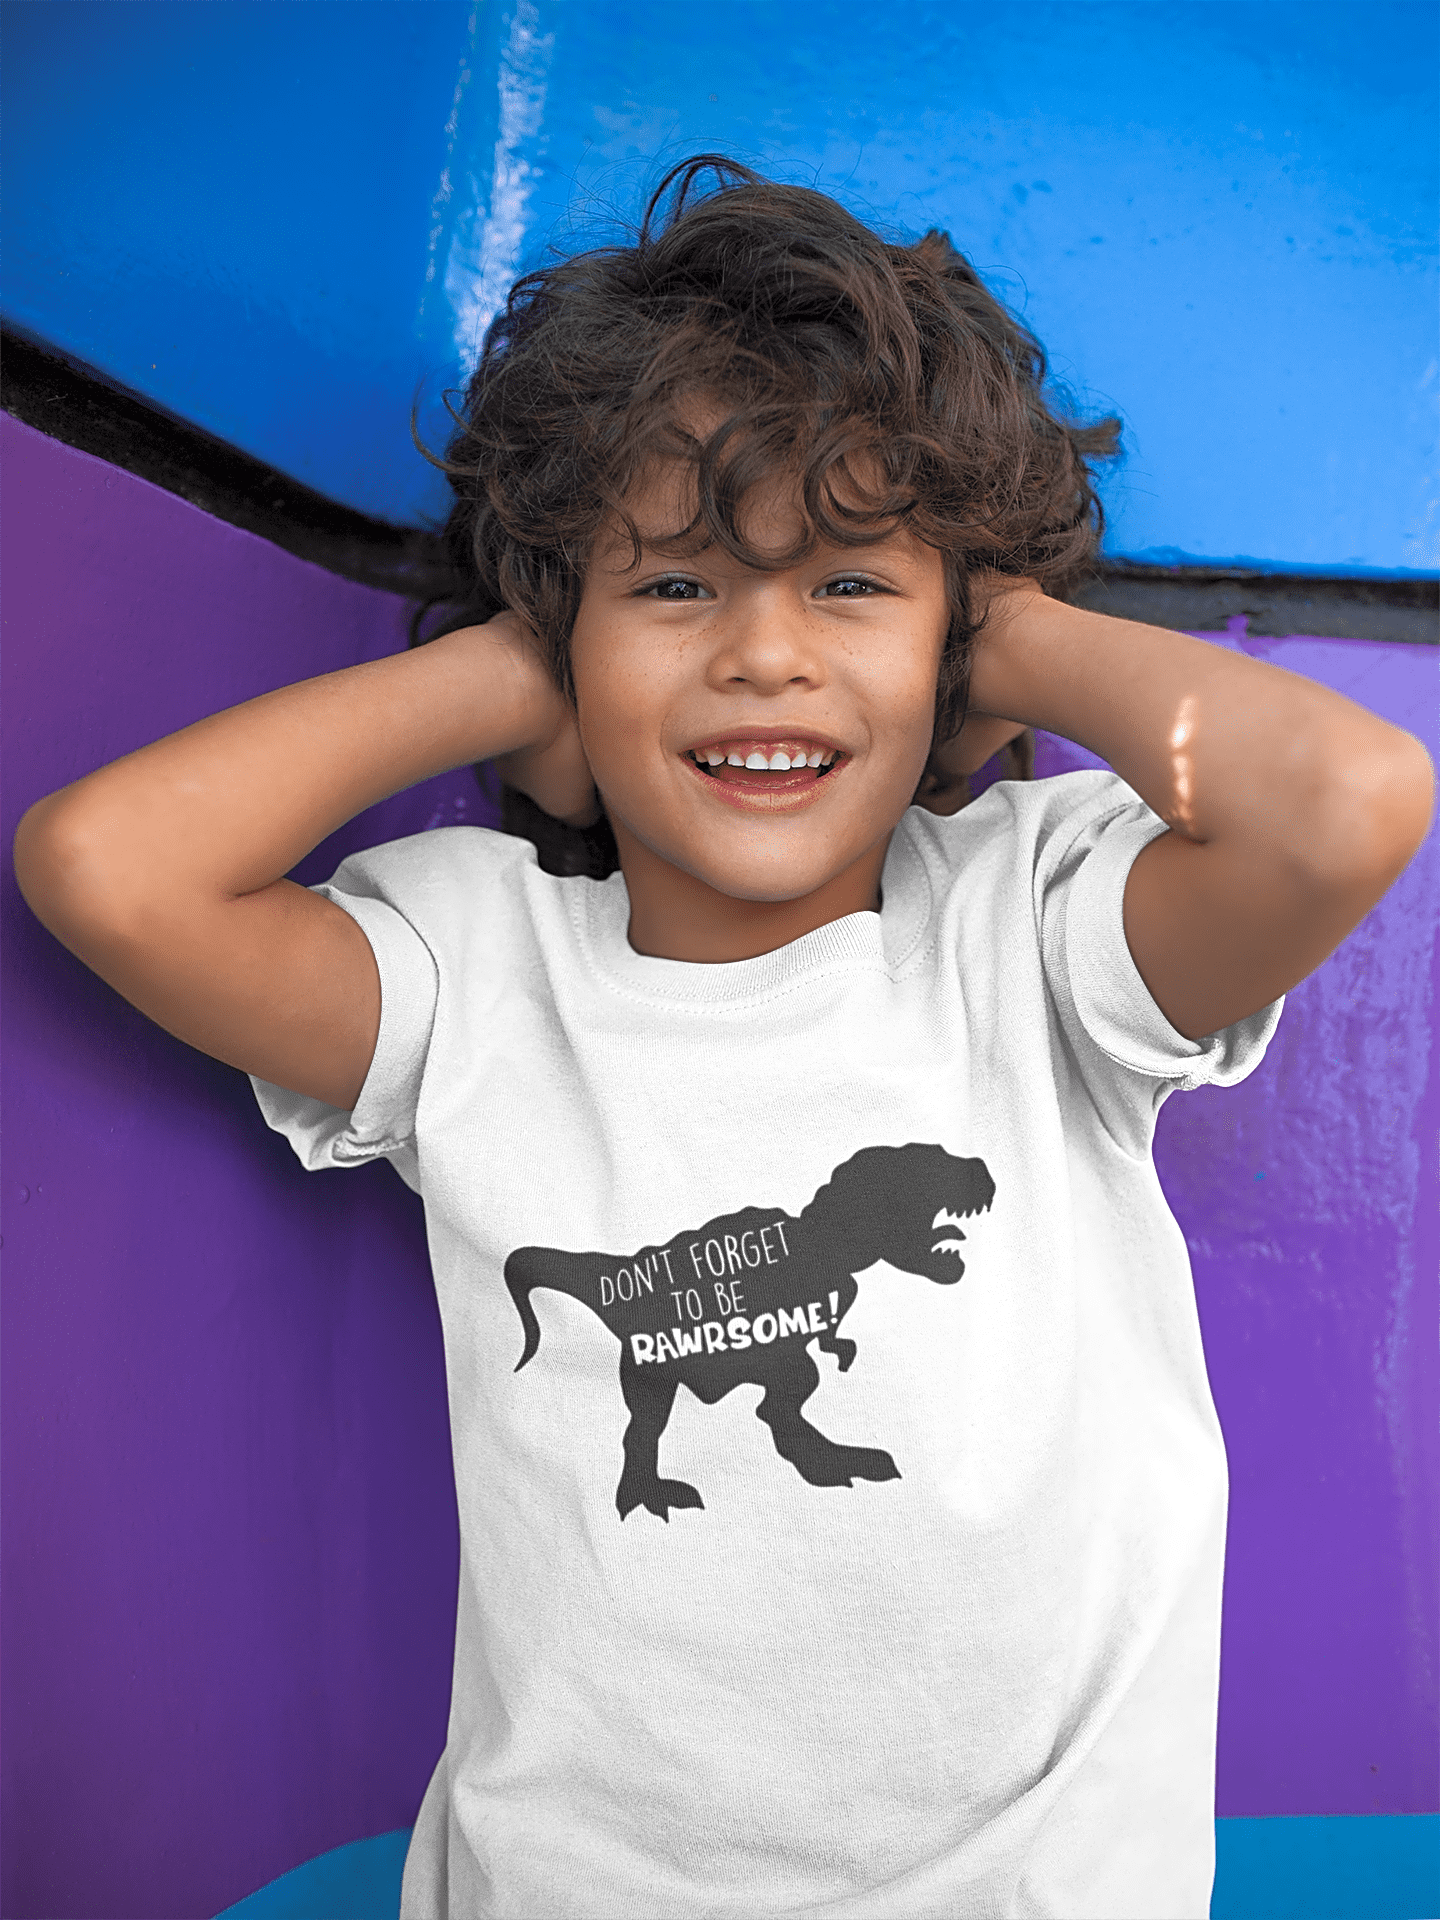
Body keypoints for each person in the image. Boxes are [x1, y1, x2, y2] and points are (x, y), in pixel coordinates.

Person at [14, 156, 1431, 1920]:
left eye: (850, 586)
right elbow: (106, 866)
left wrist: (1003, 636)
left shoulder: (1036, 925)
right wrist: (513, 668)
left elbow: (1349, 804)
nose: (765, 656)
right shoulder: (475, 972)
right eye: (676, 587)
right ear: (567, 638)